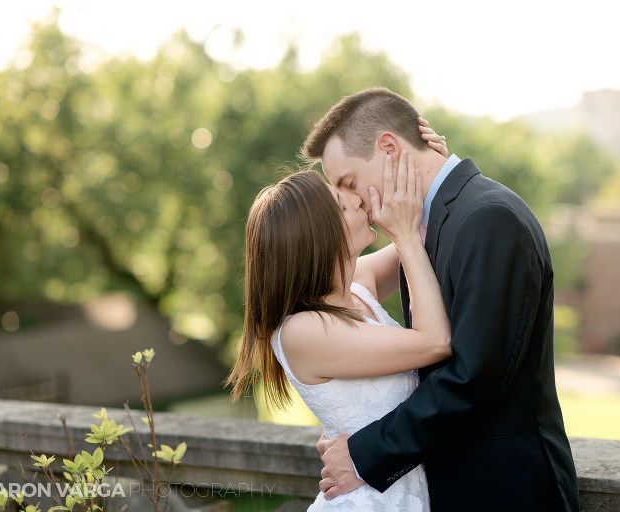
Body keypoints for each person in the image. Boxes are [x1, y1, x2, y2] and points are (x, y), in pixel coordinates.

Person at [303, 87, 580, 511]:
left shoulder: (489, 219)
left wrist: (362, 454)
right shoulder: (421, 224)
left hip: (506, 493)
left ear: (390, 148)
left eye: (351, 182)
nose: (354, 200)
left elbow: (472, 379)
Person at [227, 143, 451, 510]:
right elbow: (435, 341)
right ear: (318, 238)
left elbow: (419, 221)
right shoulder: (303, 331)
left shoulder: (358, 285)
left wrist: (428, 166)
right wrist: (406, 236)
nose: (360, 202)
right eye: (344, 205)